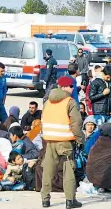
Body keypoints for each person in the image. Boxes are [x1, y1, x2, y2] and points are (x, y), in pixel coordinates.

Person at [40, 76, 84, 209]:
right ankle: (70, 200)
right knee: (68, 170)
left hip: (50, 141)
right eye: (71, 86)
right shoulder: (69, 102)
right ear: (64, 87)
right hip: (65, 141)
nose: (72, 89)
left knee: (48, 171)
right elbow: (76, 124)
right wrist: (80, 139)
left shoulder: (48, 102)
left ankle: (45, 200)